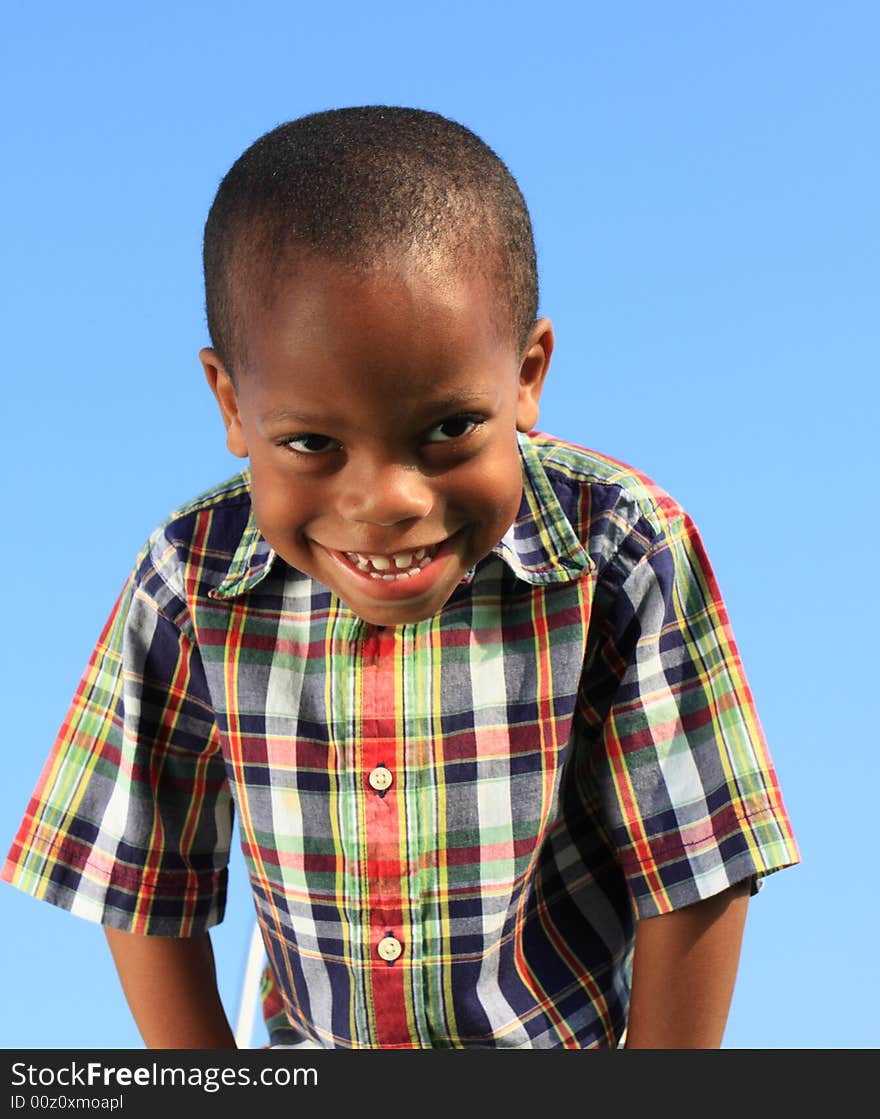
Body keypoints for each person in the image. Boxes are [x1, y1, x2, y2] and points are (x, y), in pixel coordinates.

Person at [2, 106, 799, 1050]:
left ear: (528, 373)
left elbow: (698, 865)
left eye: (450, 428)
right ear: (231, 403)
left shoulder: (622, 551)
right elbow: (140, 876)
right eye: (310, 443)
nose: (385, 500)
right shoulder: (188, 580)